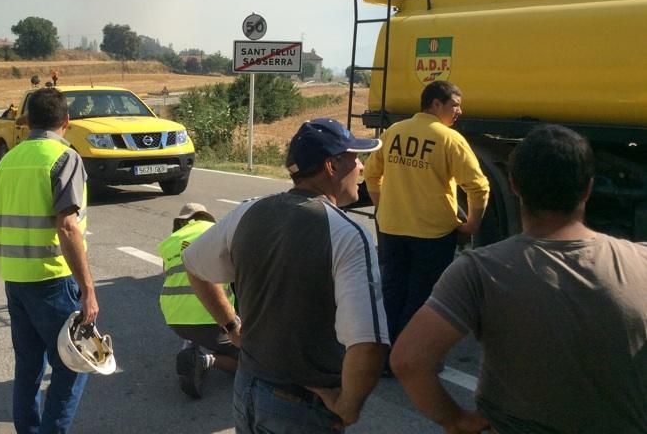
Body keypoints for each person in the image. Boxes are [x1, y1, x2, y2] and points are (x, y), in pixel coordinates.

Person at [392, 124, 647, 433]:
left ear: (514, 185)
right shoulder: (640, 260)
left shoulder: (479, 270)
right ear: (588, 189)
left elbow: (409, 360)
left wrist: (456, 419)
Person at [183, 118, 389, 432]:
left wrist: (231, 326)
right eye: (355, 158)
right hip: (302, 406)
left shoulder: (248, 211)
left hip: (248, 390)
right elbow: (369, 344)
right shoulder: (349, 234)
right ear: (332, 166)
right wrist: (349, 407)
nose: (361, 167)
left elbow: (193, 264)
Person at [0, 87, 98, 434]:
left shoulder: (9, 160)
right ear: (66, 121)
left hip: (15, 278)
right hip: (52, 279)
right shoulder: (64, 158)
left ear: (28, 121)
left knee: (28, 367)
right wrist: (88, 290)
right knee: (73, 364)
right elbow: (67, 226)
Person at [364, 80, 489, 370]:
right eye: (455, 104)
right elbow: (479, 186)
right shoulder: (449, 139)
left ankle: (383, 358)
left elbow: (371, 175)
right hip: (433, 233)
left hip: (392, 229)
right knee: (421, 297)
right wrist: (471, 224)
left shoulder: (394, 132)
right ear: (436, 104)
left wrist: (383, 207)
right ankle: (409, 360)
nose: (460, 110)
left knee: (393, 290)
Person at [158, 203, 239, 399]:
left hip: (174, 319)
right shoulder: (217, 232)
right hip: (215, 321)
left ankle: (190, 344)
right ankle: (205, 360)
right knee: (250, 363)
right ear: (208, 218)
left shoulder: (169, 242)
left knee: (193, 314)